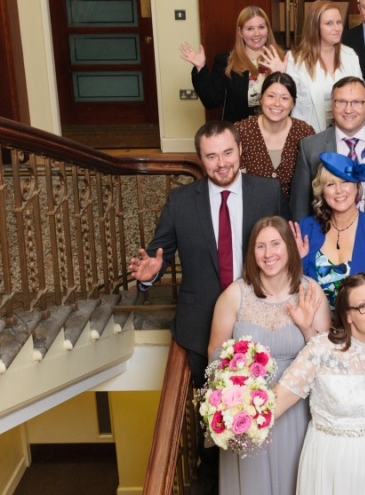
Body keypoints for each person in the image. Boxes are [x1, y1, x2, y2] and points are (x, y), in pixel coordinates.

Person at [127, 121, 288, 492]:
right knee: (218, 418)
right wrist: (150, 272)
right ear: (200, 159)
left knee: (264, 410)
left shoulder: (268, 191)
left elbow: (282, 247)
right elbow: (158, 252)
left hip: (260, 321)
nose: (221, 163)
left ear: (240, 150)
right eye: (211, 156)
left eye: (228, 152)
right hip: (201, 330)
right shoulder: (182, 201)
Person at [207, 216, 330, 495]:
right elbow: (215, 353)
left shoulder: (311, 293)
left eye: (276, 244)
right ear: (252, 253)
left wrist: (306, 327)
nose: (268, 253)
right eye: (260, 246)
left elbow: (327, 361)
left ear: (289, 247)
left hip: (296, 410)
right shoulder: (234, 295)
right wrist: (238, 389)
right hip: (246, 411)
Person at [270, 273, 365, 494]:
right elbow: (277, 402)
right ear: (348, 315)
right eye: (363, 306)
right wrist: (237, 416)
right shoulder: (320, 350)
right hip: (330, 459)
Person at [289, 76, 365, 221]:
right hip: (328, 236)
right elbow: (300, 207)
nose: (348, 110)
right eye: (341, 102)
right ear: (332, 104)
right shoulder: (310, 147)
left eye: (356, 102)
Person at [297, 152, 365, 307]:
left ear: (357, 187)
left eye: (345, 182)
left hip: (363, 327)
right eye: (330, 184)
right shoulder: (306, 228)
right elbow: (292, 288)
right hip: (313, 325)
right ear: (322, 191)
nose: (339, 190)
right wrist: (298, 262)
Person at [262, 0, 362, 133]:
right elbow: (287, 101)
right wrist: (279, 77)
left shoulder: (350, 56)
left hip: (347, 133)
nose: (337, 28)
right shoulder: (296, 59)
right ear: (315, 27)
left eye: (339, 22)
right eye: (329, 23)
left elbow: (361, 97)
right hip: (308, 135)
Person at [179, 6, 283, 123]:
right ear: (240, 32)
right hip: (238, 132)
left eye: (261, 27)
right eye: (250, 28)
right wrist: (200, 68)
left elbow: (295, 101)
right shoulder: (226, 61)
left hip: (275, 130)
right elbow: (211, 101)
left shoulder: (283, 60)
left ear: (268, 30)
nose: (257, 33)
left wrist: (282, 74)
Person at [235, 72, 315, 198]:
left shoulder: (304, 132)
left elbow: (312, 181)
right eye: (271, 96)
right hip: (252, 208)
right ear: (261, 98)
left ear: (293, 103)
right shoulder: (241, 130)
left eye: (284, 98)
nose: (277, 103)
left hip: (293, 213)